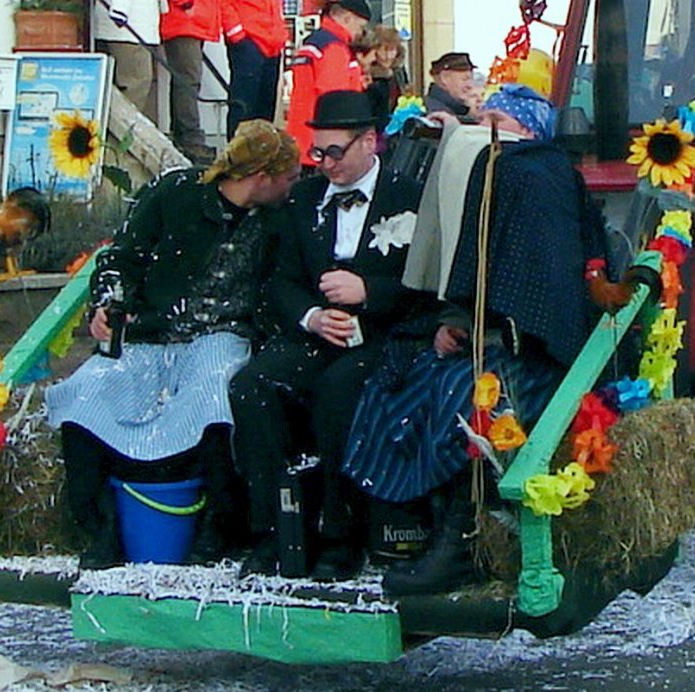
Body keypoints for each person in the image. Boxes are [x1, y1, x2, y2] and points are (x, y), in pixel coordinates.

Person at [342, 85, 608, 595]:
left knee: (464, 399)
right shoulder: (495, 173)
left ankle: (465, 542)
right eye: (481, 118)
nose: (481, 129)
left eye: (494, 121)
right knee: (403, 379)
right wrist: (452, 322)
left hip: (536, 352)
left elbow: (542, 284)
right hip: (485, 338)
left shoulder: (537, 176)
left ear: (526, 130)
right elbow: (470, 266)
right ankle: (415, 526)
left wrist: (493, 328)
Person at [45, 121, 301, 569]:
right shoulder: (174, 194)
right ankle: (100, 528)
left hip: (223, 333)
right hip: (152, 331)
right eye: (290, 177)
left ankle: (216, 525)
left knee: (214, 393)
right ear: (263, 177)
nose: (293, 186)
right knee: (85, 393)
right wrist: (107, 304)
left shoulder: (278, 220)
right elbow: (121, 258)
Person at [230, 91, 425, 581]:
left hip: (383, 334)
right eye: (318, 152)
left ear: (370, 142)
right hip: (318, 332)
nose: (325, 164)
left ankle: (340, 535)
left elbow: (427, 285)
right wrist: (313, 316)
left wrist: (369, 292)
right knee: (251, 385)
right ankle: (272, 530)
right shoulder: (303, 199)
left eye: (335, 152)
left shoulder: (408, 197)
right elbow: (281, 280)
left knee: (339, 391)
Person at [285, 0, 370, 170]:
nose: (359, 33)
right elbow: (335, 100)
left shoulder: (313, 43)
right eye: (360, 26)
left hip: (302, 138)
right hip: (322, 147)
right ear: (347, 18)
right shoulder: (334, 47)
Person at [161, 0, 221, 165]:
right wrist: (185, 3)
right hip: (186, 20)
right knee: (188, 82)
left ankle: (183, 137)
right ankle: (190, 139)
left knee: (186, 81)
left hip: (192, 20)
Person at [221, 0, 288, 138]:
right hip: (250, 41)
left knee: (266, 106)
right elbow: (223, 4)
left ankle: (262, 148)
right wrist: (237, 34)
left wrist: (280, 36)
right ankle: (238, 148)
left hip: (272, 45)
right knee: (245, 105)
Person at [94, 0, 162, 124]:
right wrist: (120, 9)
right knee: (135, 84)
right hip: (129, 28)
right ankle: (126, 130)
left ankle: (123, 128)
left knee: (128, 85)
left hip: (131, 27)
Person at [367, 26, 409, 116]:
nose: (388, 56)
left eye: (392, 50)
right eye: (384, 50)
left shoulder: (399, 71)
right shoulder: (367, 73)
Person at [425, 51, 480, 118]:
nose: (470, 85)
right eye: (465, 79)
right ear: (444, 78)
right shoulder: (436, 112)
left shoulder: (455, 109)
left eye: (471, 79)